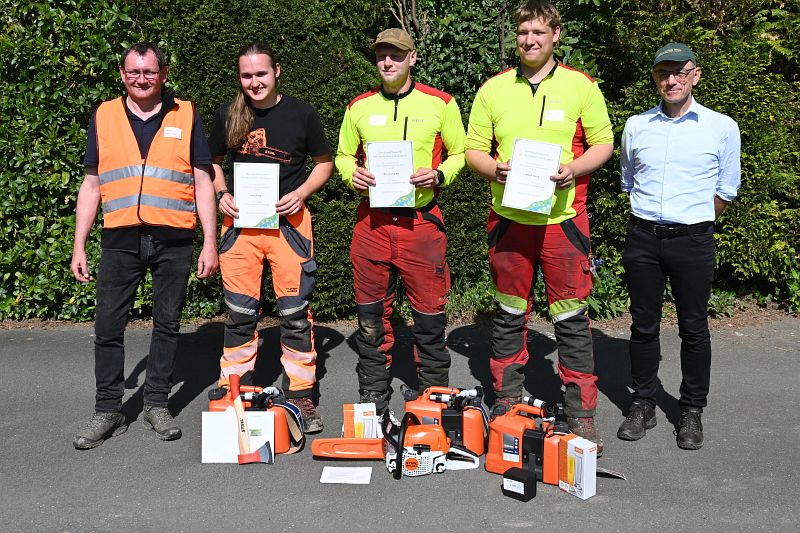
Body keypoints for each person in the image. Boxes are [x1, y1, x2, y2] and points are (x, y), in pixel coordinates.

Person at [465, 0, 613, 453]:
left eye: (538, 32)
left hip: (563, 221)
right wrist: (494, 169)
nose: (529, 40)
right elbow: (473, 150)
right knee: (509, 313)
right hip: (510, 220)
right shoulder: (493, 89)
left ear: (555, 35)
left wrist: (574, 169)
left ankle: (580, 412)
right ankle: (507, 399)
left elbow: (604, 143)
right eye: (523, 32)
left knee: (570, 318)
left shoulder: (581, 85)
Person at [71, 42, 218, 449]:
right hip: (120, 238)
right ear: (122, 74)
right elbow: (92, 184)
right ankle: (109, 409)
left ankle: (156, 403)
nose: (141, 79)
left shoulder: (186, 113)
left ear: (163, 74)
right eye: (134, 72)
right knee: (108, 326)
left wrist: (210, 242)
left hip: (174, 239)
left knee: (167, 324)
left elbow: (203, 180)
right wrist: (79, 245)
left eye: (149, 71)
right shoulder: (104, 115)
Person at [335, 28, 466, 416]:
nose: (387, 62)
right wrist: (351, 174)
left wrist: (439, 174)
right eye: (381, 56)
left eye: (396, 55)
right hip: (372, 223)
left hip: (420, 224)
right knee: (371, 317)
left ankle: (433, 396)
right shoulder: (358, 107)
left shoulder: (441, 103)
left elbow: (460, 153)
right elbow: (342, 156)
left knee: (429, 317)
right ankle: (373, 394)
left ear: (412, 58)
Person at [617, 43, 741, 450]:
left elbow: (726, 188)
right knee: (643, 325)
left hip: (692, 238)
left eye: (680, 72)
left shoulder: (721, 127)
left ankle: (691, 409)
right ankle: (643, 403)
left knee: (694, 327)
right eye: (663, 74)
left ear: (695, 75)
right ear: (655, 78)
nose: (671, 80)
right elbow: (628, 179)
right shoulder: (637, 125)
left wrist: (695, 220)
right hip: (643, 236)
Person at [207, 42, 333, 433]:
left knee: (294, 314)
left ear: (276, 71)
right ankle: (236, 388)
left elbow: (324, 163)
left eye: (261, 73)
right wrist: (221, 193)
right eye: (247, 75)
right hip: (240, 229)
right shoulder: (228, 114)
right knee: (240, 314)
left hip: (289, 227)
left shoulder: (302, 113)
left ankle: (300, 394)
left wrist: (302, 192)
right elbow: (211, 163)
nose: (254, 82)